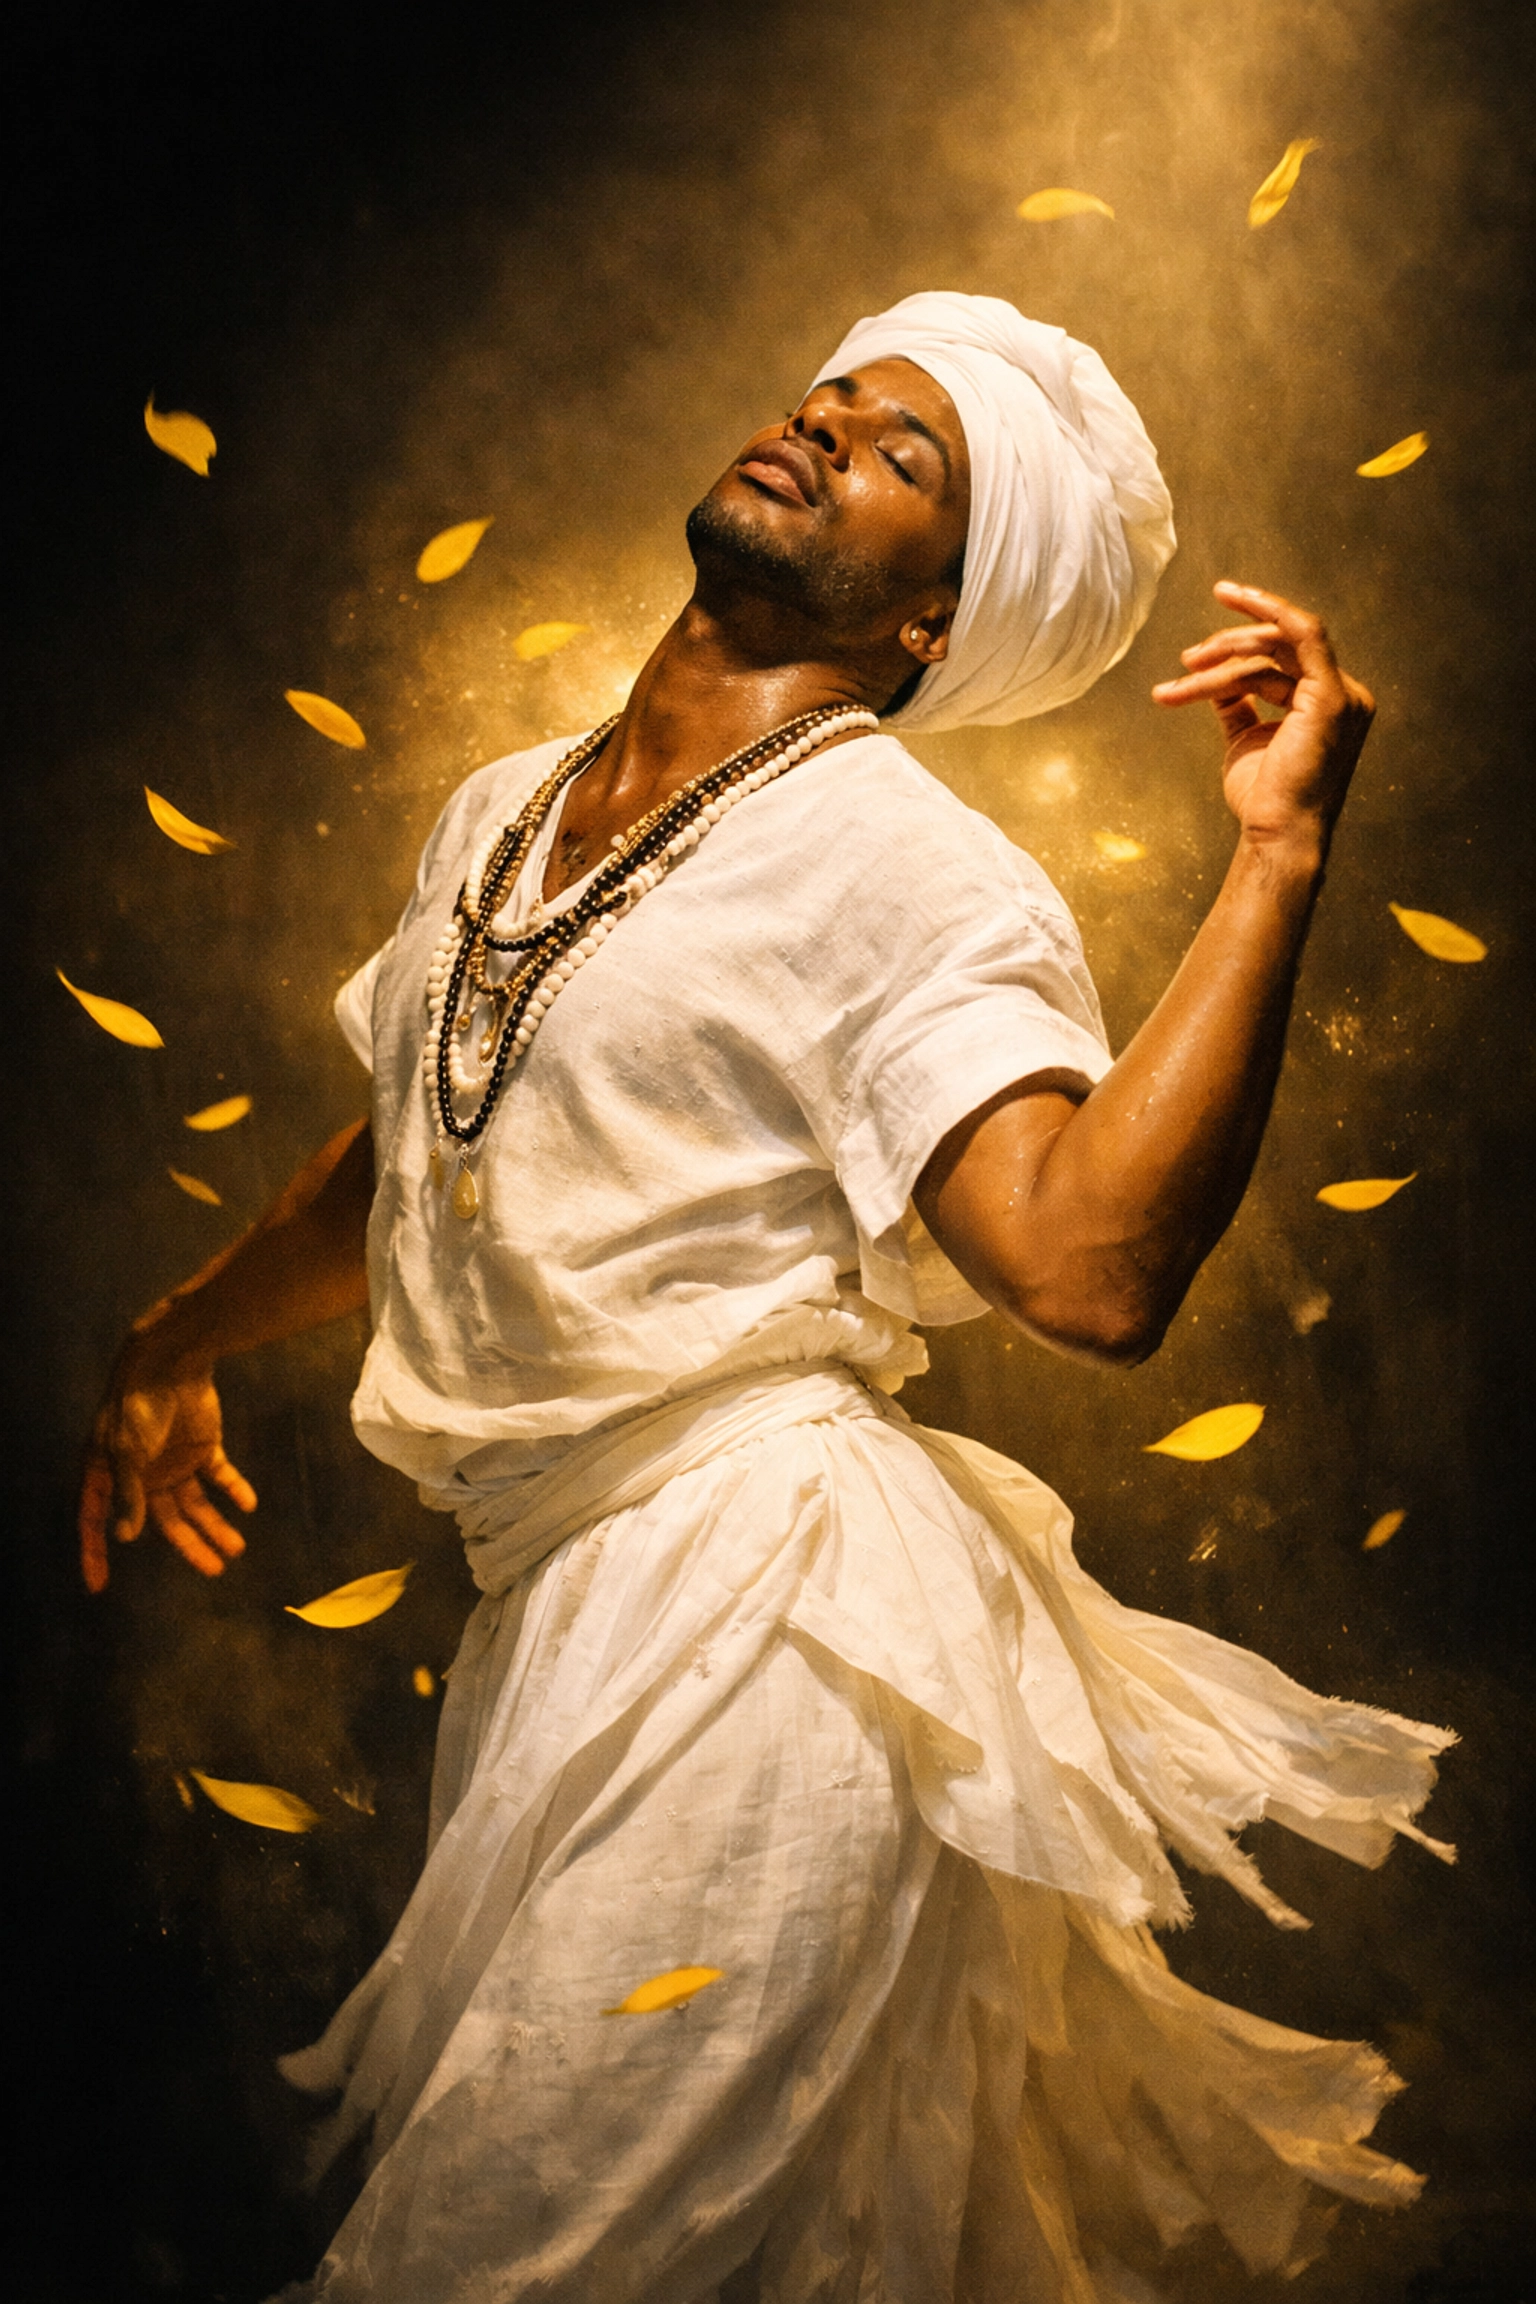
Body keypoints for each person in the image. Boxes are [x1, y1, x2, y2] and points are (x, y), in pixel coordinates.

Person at [79, 293, 1454, 2304]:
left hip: (775, 1624)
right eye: (843, 396)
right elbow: (407, 1144)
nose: (827, 422)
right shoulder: (502, 809)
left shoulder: (903, 865)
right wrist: (165, 1341)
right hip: (561, 1628)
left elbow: (1087, 1262)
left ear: (933, 629)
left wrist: (1276, 860)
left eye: (908, 455)